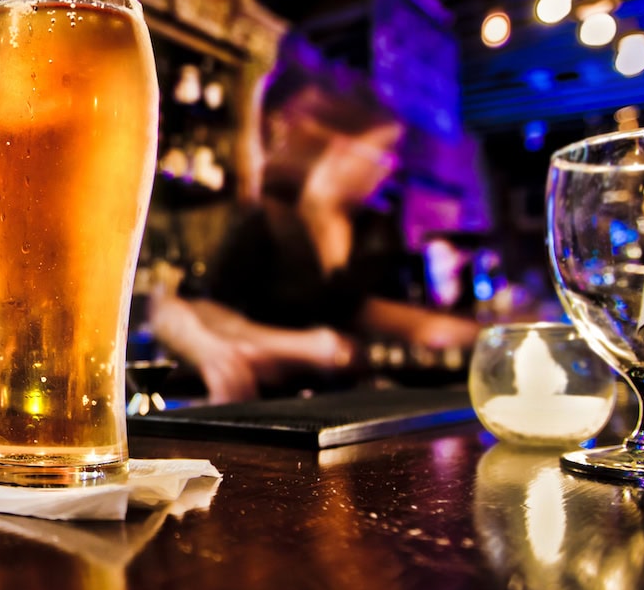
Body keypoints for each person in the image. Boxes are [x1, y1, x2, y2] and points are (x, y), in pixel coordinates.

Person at [149, 67, 481, 402]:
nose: (390, 167)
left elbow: (392, 319)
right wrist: (311, 348)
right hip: (269, 409)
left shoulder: (372, 228)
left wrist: (495, 335)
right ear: (342, 147)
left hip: (351, 408)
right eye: (383, 152)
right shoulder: (269, 222)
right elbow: (200, 312)